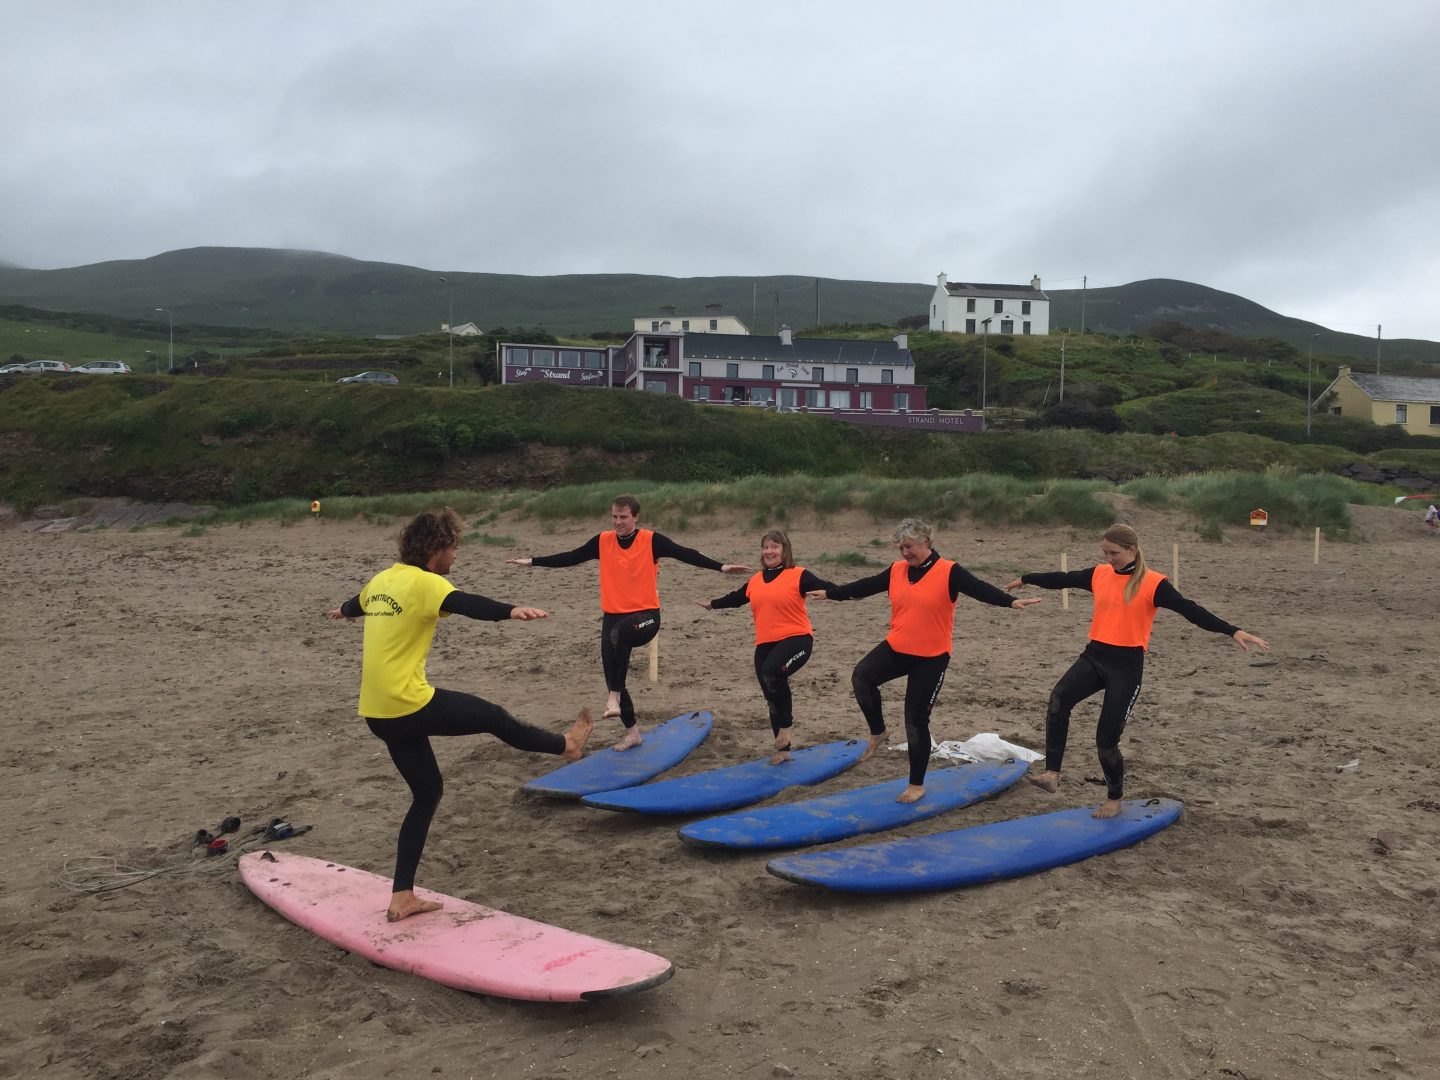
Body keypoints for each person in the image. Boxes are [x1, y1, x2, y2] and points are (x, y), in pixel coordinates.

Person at [329, 508, 593, 922]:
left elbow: (355, 604)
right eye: (454, 547)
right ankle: (568, 746)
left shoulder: (382, 580)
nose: (456, 555)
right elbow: (465, 603)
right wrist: (510, 609)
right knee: (492, 716)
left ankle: (402, 896)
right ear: (437, 549)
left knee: (427, 792)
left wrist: (344, 613)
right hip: (408, 703)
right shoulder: (427, 582)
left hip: (376, 712)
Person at [1004, 523, 1269, 820]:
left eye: (1114, 553)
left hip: (1126, 667)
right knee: (1059, 699)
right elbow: (1064, 578)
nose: (1109, 558)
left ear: (1132, 550)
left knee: (1106, 739)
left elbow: (1190, 610)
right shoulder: (1100, 574)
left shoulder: (1153, 583)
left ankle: (1114, 799)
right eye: (1104, 552)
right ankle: (1052, 773)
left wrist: (1233, 631)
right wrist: (1027, 578)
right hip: (1094, 656)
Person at [808, 518, 1041, 803]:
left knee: (915, 719)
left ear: (926, 542)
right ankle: (878, 732)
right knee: (862, 677)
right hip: (897, 647)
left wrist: (1009, 601)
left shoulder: (949, 571)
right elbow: (866, 586)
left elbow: (978, 588)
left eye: (909, 546)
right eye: (900, 547)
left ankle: (916, 784)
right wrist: (832, 593)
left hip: (930, 658)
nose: (904, 553)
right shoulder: (897, 570)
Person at [508, 494, 749, 750]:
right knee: (612, 672)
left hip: (646, 618)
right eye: (614, 516)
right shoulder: (602, 541)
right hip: (612, 618)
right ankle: (633, 733)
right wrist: (533, 561)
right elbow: (570, 556)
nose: (618, 522)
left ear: (635, 517)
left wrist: (721, 567)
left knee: (621, 639)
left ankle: (613, 697)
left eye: (623, 517)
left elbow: (685, 553)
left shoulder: (651, 540)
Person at [695, 529, 837, 764]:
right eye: (766, 547)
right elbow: (736, 598)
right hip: (765, 644)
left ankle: (786, 727)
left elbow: (827, 586)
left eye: (774, 546)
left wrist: (847, 593)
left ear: (784, 550)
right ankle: (783, 751)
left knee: (773, 673)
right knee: (771, 693)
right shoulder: (756, 580)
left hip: (797, 639)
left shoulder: (798, 575)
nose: (769, 551)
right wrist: (711, 604)